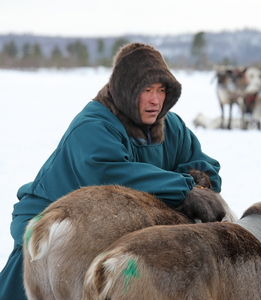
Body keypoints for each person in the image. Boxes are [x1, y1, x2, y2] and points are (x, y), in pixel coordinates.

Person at [0, 43, 226, 300]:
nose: (155, 100)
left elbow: (203, 166)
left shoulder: (171, 125)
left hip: (110, 230)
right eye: (147, 90)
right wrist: (185, 190)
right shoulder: (94, 123)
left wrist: (199, 181)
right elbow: (110, 174)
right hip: (51, 230)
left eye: (161, 90)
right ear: (126, 91)